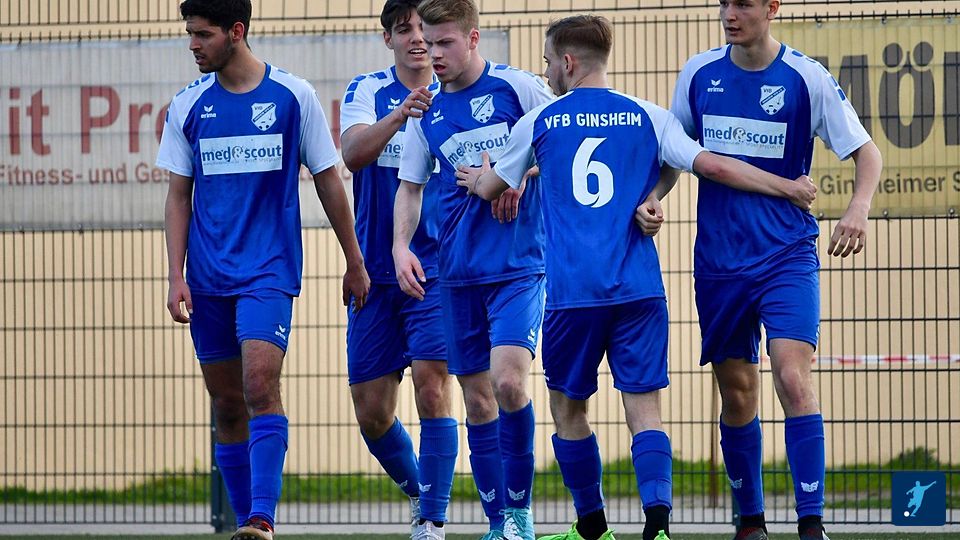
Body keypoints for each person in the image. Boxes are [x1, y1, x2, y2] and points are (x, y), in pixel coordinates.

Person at [456, 14, 817, 540]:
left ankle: (593, 526)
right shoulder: (650, 117)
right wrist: (786, 187)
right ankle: (659, 525)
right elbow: (712, 166)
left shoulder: (541, 121)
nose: (546, 72)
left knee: (567, 407)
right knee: (644, 409)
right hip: (639, 291)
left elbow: (493, 187)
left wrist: (475, 178)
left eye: (548, 62)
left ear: (568, 63)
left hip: (573, 294)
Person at [158, 1, 370, 539]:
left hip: (268, 273)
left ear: (236, 31)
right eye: (189, 34)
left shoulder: (293, 97)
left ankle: (261, 518)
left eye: (202, 34)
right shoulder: (187, 105)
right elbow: (179, 196)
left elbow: (329, 180)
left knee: (258, 385)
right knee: (227, 405)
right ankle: (245, 528)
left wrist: (354, 260)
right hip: (207, 278)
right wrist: (176, 275)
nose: (192, 44)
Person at [671, 1, 883, 539]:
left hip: (787, 254)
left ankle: (812, 524)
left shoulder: (806, 78)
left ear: (771, 8)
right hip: (719, 261)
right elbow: (675, 154)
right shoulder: (697, 73)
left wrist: (857, 210)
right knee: (737, 390)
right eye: (724, 3)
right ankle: (751, 523)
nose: (729, 14)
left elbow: (867, 153)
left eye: (743, 4)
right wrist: (651, 198)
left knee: (792, 375)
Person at [393, 0, 555, 538]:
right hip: (456, 274)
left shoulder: (518, 88)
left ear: (473, 38)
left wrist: (518, 173)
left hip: (516, 268)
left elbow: (562, 142)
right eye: (428, 42)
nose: (433, 53)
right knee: (479, 400)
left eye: (445, 42)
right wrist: (400, 247)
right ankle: (497, 524)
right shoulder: (428, 113)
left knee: (508, 382)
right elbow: (410, 186)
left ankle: (520, 513)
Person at [338, 1, 457, 539]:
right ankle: (420, 491)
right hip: (374, 274)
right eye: (404, 29)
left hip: (436, 271)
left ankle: (432, 519)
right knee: (372, 413)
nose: (417, 39)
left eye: (423, 29)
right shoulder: (368, 90)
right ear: (388, 38)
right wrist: (400, 115)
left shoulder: (459, 93)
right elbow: (352, 154)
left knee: (433, 388)